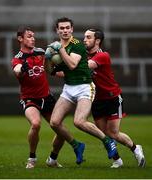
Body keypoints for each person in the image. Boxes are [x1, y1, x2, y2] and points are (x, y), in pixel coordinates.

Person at [45, 17, 118, 164]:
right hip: (69, 88)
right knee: (54, 122)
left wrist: (60, 50)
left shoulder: (77, 44)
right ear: (57, 30)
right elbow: (51, 71)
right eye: (62, 28)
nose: (65, 30)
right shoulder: (57, 46)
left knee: (79, 122)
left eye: (67, 28)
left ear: (72, 29)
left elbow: (72, 65)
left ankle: (107, 140)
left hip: (85, 87)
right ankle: (77, 145)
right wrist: (47, 58)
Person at [83, 28, 146, 168]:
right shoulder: (83, 54)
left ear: (97, 40)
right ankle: (117, 160)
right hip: (96, 100)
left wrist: (65, 57)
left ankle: (135, 148)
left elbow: (86, 66)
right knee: (103, 135)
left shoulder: (102, 55)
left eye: (88, 37)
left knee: (113, 133)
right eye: (84, 37)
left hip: (112, 98)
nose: (84, 39)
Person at [11, 26, 66, 169]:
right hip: (30, 99)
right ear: (20, 39)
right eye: (29, 36)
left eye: (33, 36)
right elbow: (17, 71)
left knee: (61, 131)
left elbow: (51, 71)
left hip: (46, 97)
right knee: (35, 124)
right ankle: (32, 158)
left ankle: (52, 159)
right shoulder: (18, 59)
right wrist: (22, 68)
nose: (33, 38)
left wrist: (69, 74)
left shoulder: (41, 52)